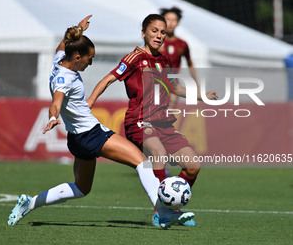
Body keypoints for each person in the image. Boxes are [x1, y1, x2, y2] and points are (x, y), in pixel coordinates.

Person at [7, 15, 195, 230]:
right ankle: (163, 212)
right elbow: (56, 101)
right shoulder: (65, 78)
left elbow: (62, 44)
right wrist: (52, 116)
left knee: (81, 188)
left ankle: (29, 203)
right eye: (89, 58)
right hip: (92, 133)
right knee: (143, 163)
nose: (91, 62)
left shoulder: (59, 59)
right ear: (77, 57)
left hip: (76, 138)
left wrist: (78, 29)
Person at [87, 14, 218, 227]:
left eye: (163, 32)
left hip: (163, 123)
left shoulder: (164, 60)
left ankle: (171, 206)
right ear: (144, 33)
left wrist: (203, 96)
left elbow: (174, 87)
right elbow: (109, 78)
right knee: (158, 153)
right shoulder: (134, 57)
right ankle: (162, 210)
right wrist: (91, 100)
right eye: (154, 31)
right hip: (140, 121)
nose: (159, 35)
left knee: (193, 165)